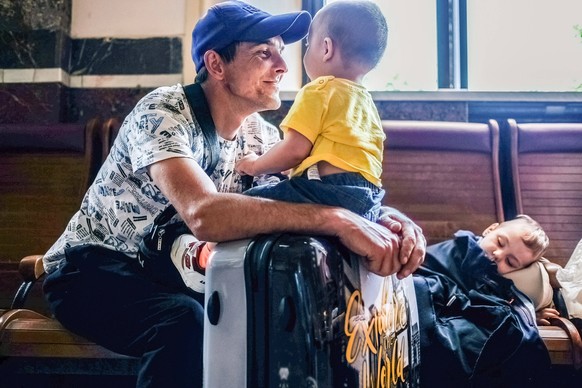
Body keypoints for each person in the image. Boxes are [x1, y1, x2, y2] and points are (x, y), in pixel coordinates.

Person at [41, 1, 425, 387]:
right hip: (91, 269)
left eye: (281, 50)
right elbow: (204, 214)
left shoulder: (263, 136)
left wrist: (390, 219)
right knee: (185, 322)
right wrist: (337, 220)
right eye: (264, 52)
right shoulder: (162, 111)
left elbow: (306, 196)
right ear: (217, 64)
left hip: (179, 273)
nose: (283, 65)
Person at [235, 0, 387, 222]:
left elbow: (294, 149)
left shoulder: (319, 90)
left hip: (327, 191)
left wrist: (254, 165)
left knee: (243, 205)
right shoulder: (364, 102)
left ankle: (201, 251)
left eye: (308, 44)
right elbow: (336, 150)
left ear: (326, 48)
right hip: (368, 196)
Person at [412, 214, 551, 386]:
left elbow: (493, 302)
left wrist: (530, 315)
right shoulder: (461, 248)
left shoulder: (494, 281)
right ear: (490, 229)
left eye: (510, 262)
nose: (498, 255)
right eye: (500, 242)